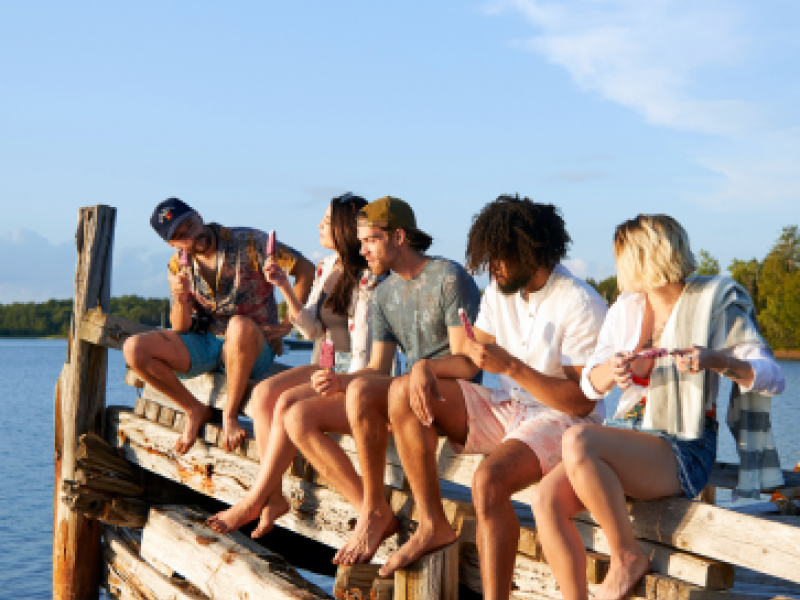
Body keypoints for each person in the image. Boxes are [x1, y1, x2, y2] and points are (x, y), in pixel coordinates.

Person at [531, 214, 786, 600]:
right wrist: (613, 371)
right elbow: (589, 384)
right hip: (631, 434)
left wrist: (716, 360)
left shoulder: (714, 304)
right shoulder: (627, 308)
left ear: (643, 258)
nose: (617, 266)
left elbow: (774, 377)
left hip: (684, 446)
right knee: (545, 498)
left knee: (578, 439)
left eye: (621, 256)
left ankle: (626, 557)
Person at [378, 195, 608, 598]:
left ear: (531, 251)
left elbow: (581, 402)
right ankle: (432, 523)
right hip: (511, 407)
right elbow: (470, 360)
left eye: (500, 257)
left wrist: (512, 368)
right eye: (487, 258)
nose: (492, 268)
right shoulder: (500, 291)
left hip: (564, 419)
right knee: (402, 391)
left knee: (487, 482)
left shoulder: (579, 303)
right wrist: (426, 368)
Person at [281, 195, 482, 565]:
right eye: (361, 242)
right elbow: (378, 366)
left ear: (399, 237)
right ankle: (373, 508)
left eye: (371, 240)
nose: (363, 249)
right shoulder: (386, 292)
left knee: (395, 386)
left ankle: (424, 522)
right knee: (356, 388)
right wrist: (343, 380)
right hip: (408, 393)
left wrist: (426, 369)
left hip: (456, 396)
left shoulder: (448, 277)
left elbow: (469, 365)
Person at [205, 193, 389, 536]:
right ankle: (273, 497)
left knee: (288, 404)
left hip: (354, 373)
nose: (320, 225)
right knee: (262, 395)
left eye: (327, 220)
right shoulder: (327, 267)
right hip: (325, 364)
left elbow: (370, 352)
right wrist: (285, 288)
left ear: (345, 228)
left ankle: (254, 498)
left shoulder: (370, 279)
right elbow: (312, 330)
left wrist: (343, 379)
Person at [123, 197, 315, 455]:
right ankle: (193, 409)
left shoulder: (249, 241)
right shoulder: (177, 265)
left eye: (189, 224)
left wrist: (286, 325)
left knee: (239, 326)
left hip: (253, 345)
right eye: (180, 236)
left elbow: (306, 270)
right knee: (133, 348)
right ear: (172, 244)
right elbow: (181, 327)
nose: (190, 236)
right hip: (207, 343)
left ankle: (230, 415)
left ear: (198, 215)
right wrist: (180, 299)